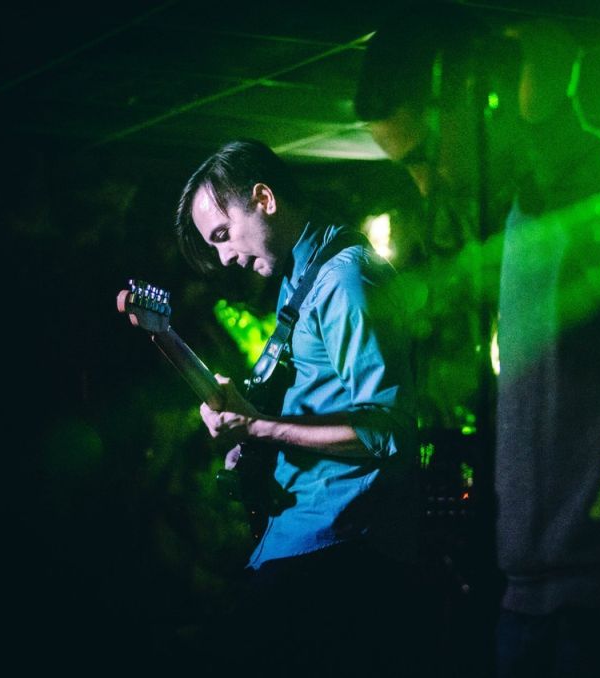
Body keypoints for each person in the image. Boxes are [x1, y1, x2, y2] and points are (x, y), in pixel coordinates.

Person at [356, 4, 600, 676]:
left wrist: (561, 135)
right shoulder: (522, 203)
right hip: (547, 594)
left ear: (481, 94)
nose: (423, 182)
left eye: (422, 155)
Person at [174, 139, 419, 676]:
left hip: (337, 550)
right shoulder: (301, 280)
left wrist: (259, 426)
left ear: (264, 199)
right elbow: (315, 405)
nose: (225, 257)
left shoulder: (346, 280)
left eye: (222, 234)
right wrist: (250, 432)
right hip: (306, 541)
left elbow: (388, 432)